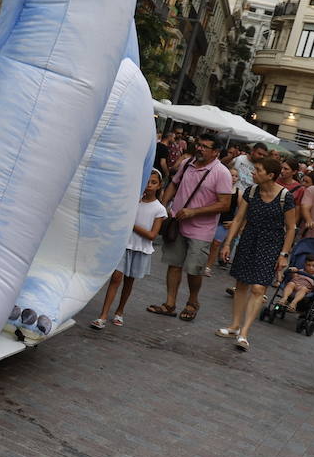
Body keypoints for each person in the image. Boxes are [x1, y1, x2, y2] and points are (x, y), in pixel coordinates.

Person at [215, 156, 298, 351]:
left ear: (270, 175)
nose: (253, 173)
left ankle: (244, 332)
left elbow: (291, 228)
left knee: (259, 289)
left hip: (271, 245)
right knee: (241, 284)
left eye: (258, 170)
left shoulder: (286, 197)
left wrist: (284, 254)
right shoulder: (251, 192)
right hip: (248, 239)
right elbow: (238, 219)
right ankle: (235, 326)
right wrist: (228, 243)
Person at [147, 134, 231, 322]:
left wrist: (195, 212)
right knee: (174, 264)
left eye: (205, 146)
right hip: (177, 223)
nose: (199, 149)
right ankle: (169, 304)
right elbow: (174, 185)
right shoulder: (188, 163)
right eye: (199, 145)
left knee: (194, 269)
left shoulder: (221, 172)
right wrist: (162, 205)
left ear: (215, 152)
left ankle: (193, 302)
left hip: (201, 229)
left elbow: (225, 204)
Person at [91, 170, 166, 329]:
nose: (149, 185)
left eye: (153, 182)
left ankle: (120, 311)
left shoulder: (159, 209)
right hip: (124, 245)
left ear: (159, 185)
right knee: (116, 278)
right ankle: (103, 315)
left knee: (129, 281)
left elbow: (152, 235)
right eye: (147, 181)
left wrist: (132, 224)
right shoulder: (134, 201)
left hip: (140, 248)